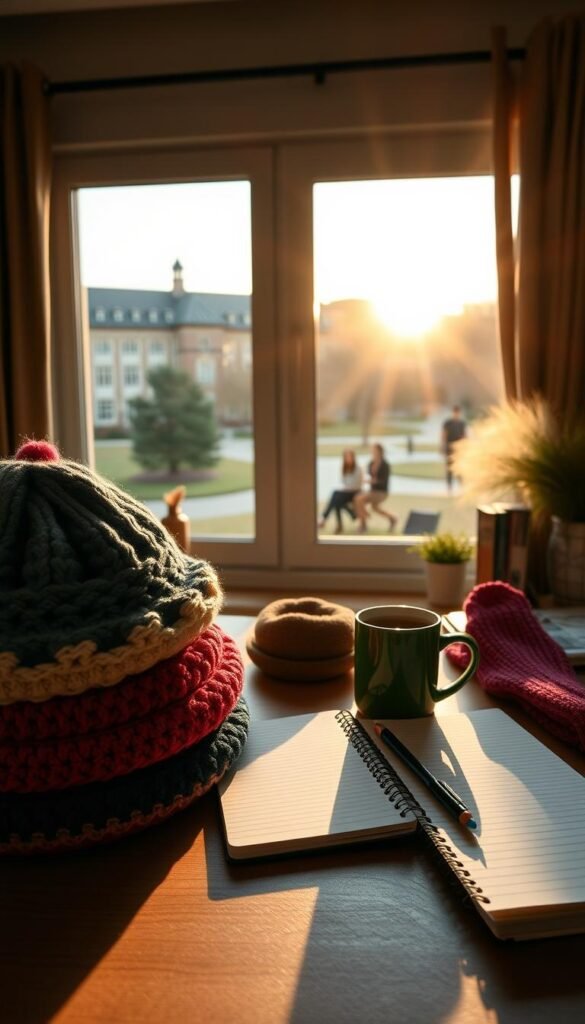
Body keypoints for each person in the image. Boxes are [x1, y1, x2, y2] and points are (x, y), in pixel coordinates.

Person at [353, 442, 398, 533]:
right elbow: (368, 476)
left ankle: (363, 524)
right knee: (374, 508)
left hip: (381, 492)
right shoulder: (371, 463)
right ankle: (392, 518)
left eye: (375, 450)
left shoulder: (385, 465)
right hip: (372, 491)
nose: (373, 452)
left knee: (359, 499)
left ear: (380, 451)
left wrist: (372, 481)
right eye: (372, 450)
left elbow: (382, 481)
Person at [318, 449, 363, 535]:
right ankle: (351, 516)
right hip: (346, 493)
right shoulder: (344, 468)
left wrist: (346, 489)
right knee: (337, 500)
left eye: (349, 456)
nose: (348, 458)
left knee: (335, 495)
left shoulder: (358, 469)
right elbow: (344, 483)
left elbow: (357, 485)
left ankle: (325, 519)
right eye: (346, 457)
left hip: (355, 492)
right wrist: (345, 489)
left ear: (353, 457)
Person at [440, 404, 467, 491]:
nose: (456, 414)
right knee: (449, 468)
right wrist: (442, 446)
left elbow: (464, 436)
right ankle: (449, 487)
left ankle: (461, 486)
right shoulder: (447, 423)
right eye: (455, 412)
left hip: (458, 449)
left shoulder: (462, 423)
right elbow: (444, 435)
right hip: (449, 447)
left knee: (459, 468)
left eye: (457, 412)